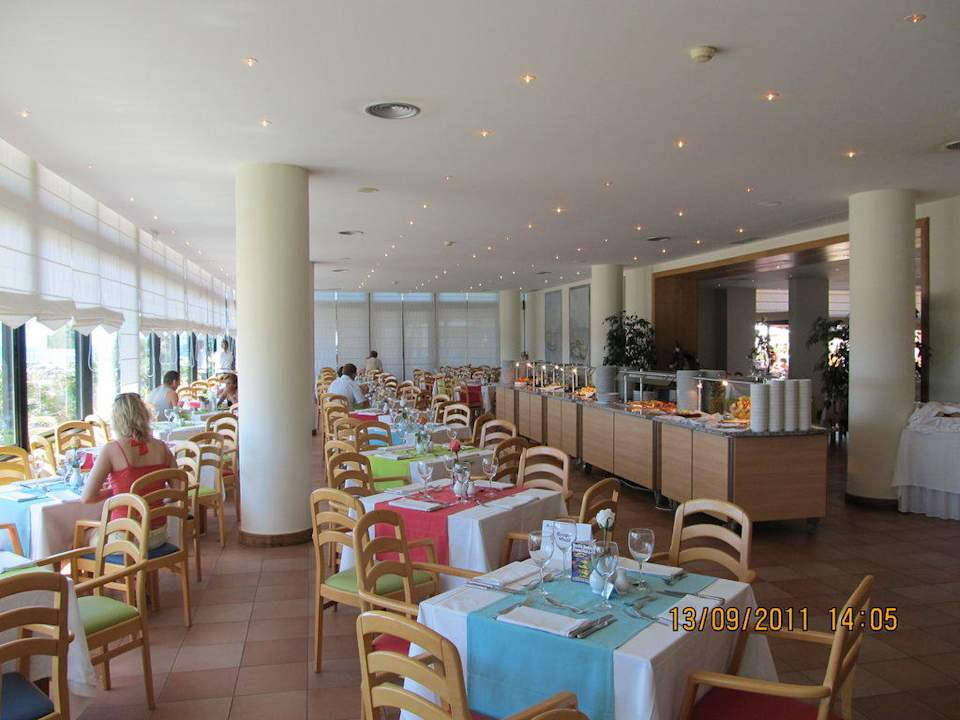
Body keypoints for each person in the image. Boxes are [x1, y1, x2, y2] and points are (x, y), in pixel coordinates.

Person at [81, 393, 178, 549]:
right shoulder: (162, 447)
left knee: (82, 535)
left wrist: (116, 491)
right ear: (144, 415)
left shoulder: (112, 450)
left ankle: (102, 567)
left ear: (116, 420)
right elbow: (177, 491)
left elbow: (87, 497)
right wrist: (155, 499)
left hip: (125, 538)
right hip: (157, 534)